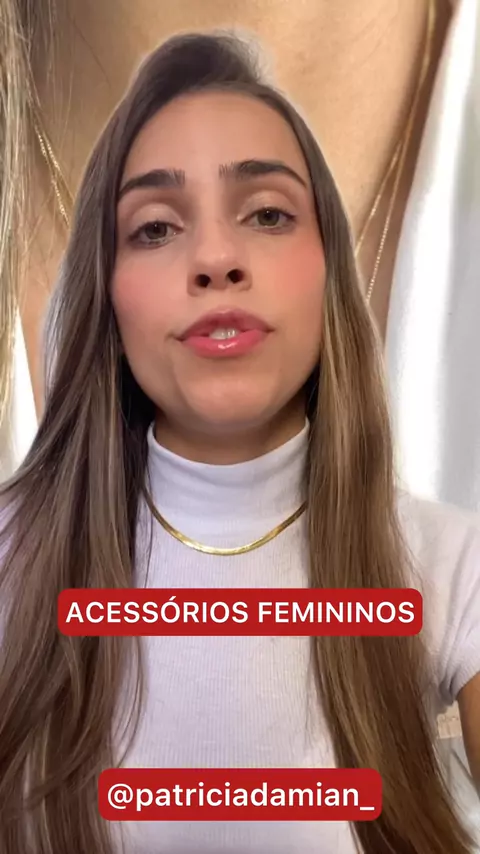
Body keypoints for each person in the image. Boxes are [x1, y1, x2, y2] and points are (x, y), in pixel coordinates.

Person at [0, 32, 479, 854]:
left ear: (329, 270)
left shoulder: (452, 566)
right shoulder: (12, 559)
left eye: (267, 215)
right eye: (156, 228)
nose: (217, 259)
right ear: (107, 297)